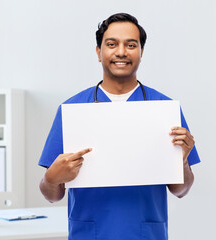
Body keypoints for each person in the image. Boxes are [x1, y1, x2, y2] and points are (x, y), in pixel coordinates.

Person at [38, 13, 200, 240]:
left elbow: (180, 190)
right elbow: (52, 195)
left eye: (131, 45)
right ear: (98, 52)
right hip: (90, 233)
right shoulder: (71, 109)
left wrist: (182, 160)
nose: (121, 52)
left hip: (146, 233)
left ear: (141, 52)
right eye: (112, 44)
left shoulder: (165, 109)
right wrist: (51, 179)